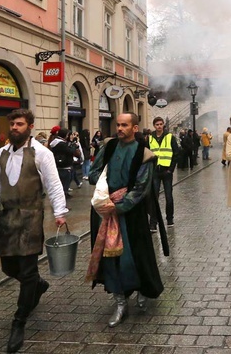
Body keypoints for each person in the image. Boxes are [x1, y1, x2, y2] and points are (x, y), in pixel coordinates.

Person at [0, 109, 68, 353]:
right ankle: (37, 285)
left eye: (19, 124)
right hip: (6, 218)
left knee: (27, 271)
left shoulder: (42, 154)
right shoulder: (1, 153)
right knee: (8, 267)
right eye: (12, 124)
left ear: (30, 126)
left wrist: (60, 213)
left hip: (30, 218)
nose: (14, 128)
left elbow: (54, 185)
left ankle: (19, 321)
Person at [88, 112, 168, 328]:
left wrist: (121, 203)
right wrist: (104, 187)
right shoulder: (109, 146)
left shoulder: (144, 154)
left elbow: (141, 187)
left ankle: (142, 288)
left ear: (135, 128)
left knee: (134, 255)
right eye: (118, 125)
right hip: (105, 209)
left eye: (125, 125)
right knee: (110, 259)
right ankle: (120, 301)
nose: (120, 128)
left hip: (131, 214)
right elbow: (93, 172)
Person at [148, 116, 179, 232]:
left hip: (166, 171)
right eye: (157, 124)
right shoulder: (150, 138)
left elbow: (176, 153)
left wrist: (171, 169)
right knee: (153, 198)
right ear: (154, 126)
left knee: (169, 197)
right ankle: (153, 223)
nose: (159, 126)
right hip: (155, 171)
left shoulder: (170, 137)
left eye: (161, 124)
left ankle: (169, 219)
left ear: (163, 125)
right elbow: (146, 153)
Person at [50, 128, 77, 199]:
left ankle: (65, 194)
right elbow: (70, 151)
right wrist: (74, 145)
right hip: (64, 166)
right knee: (64, 183)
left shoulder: (56, 142)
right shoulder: (61, 144)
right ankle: (63, 198)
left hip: (61, 165)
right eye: (68, 135)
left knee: (66, 181)